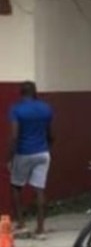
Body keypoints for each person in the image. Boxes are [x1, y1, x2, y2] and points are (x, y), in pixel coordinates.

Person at [6, 81, 53, 239]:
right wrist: (47, 147)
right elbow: (50, 133)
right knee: (39, 190)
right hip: (43, 152)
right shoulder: (46, 108)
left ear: (21, 93)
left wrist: (9, 157)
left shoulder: (17, 109)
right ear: (35, 92)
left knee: (16, 186)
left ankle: (21, 224)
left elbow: (14, 136)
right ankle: (40, 229)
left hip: (24, 152)